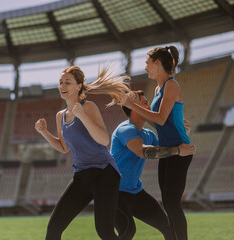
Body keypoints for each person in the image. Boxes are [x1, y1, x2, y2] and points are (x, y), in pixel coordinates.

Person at [35, 65, 130, 240]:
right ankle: (125, 223)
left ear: (79, 86)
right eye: (61, 82)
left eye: (68, 82)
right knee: (54, 228)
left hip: (104, 173)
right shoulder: (60, 116)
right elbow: (64, 147)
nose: (62, 86)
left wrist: (83, 116)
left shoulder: (88, 107)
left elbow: (103, 140)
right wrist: (44, 133)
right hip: (81, 176)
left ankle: (125, 222)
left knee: (104, 232)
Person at [124, 45, 194, 240]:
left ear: (156, 63)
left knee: (172, 204)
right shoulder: (158, 88)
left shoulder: (172, 85)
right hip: (168, 150)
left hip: (181, 149)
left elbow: (161, 119)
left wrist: (134, 106)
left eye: (147, 63)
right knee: (168, 203)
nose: (145, 67)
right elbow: (160, 122)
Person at [111, 90, 196, 240]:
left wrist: (180, 131)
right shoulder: (125, 129)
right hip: (113, 193)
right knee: (128, 231)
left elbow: (166, 150)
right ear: (134, 107)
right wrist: (177, 150)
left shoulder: (148, 135)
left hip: (135, 192)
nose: (149, 106)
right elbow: (143, 152)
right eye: (145, 103)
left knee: (168, 226)